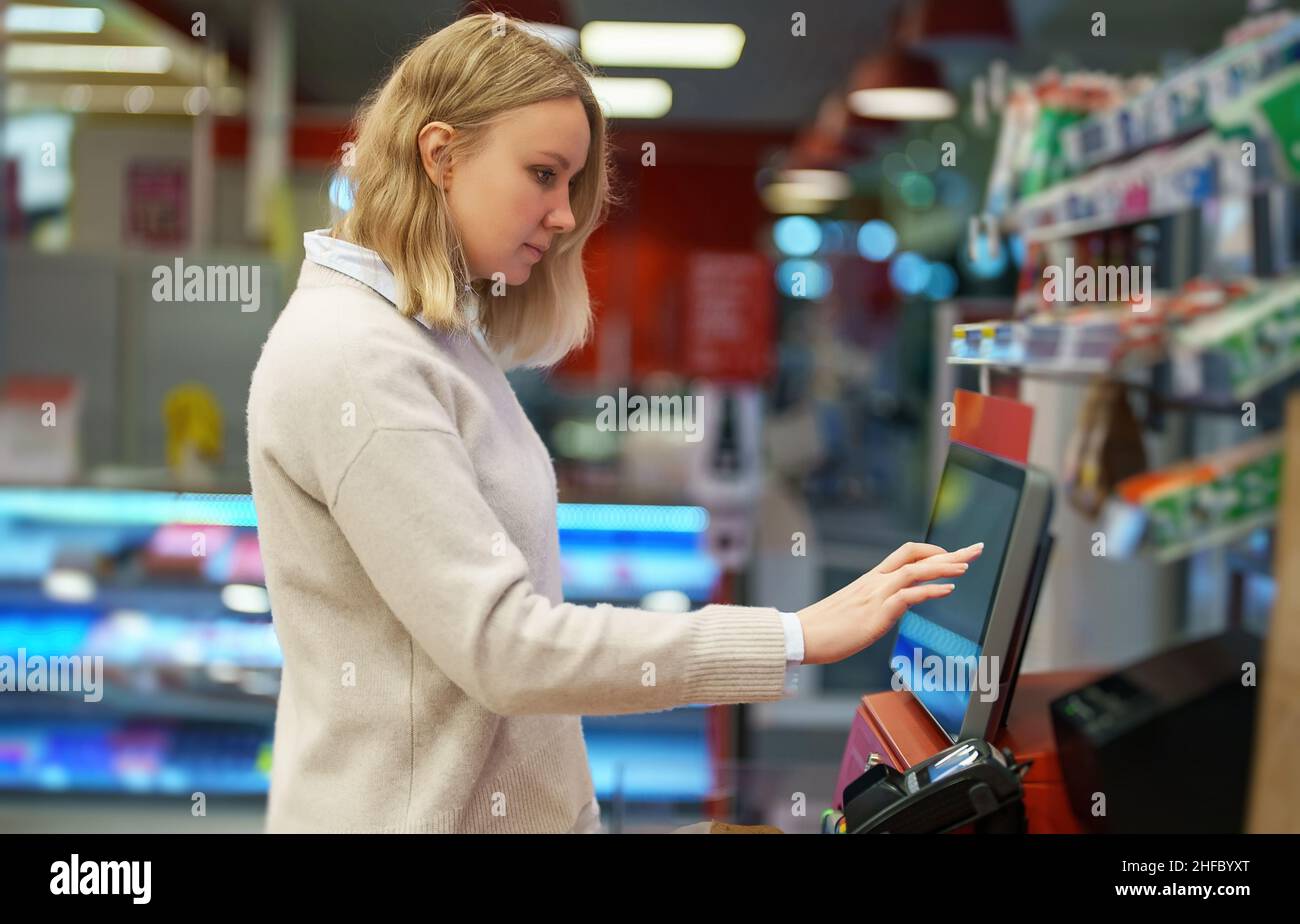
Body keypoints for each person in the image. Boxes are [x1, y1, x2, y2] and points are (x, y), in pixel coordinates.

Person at [246, 12, 982, 834]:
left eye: (572, 183)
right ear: (440, 154)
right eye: (543, 173)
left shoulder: (430, 338)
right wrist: (793, 636)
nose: (564, 216)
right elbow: (505, 649)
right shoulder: (358, 355)